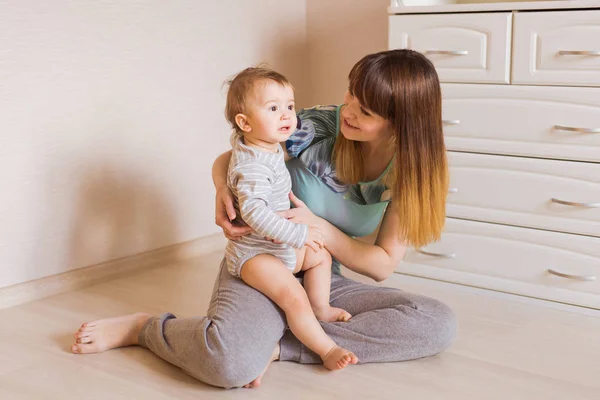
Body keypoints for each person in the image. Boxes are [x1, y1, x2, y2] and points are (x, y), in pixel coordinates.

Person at [71, 49, 457, 390]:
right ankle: (145, 328)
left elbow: (382, 264)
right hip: (262, 264)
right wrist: (223, 189)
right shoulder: (321, 125)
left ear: (401, 121)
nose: (348, 110)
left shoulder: (413, 171)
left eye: (365, 110)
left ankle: (282, 345)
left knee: (435, 323)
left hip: (320, 274)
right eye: (351, 94)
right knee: (228, 364)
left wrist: (317, 232)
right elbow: (236, 156)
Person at [221, 66, 357, 370]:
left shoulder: (265, 144)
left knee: (320, 256)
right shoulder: (252, 165)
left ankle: (320, 307)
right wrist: (299, 235)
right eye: (273, 108)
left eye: (290, 106)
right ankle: (326, 349)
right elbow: (255, 214)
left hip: (278, 245)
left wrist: (301, 239)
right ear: (245, 122)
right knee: (293, 296)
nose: (287, 115)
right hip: (255, 254)